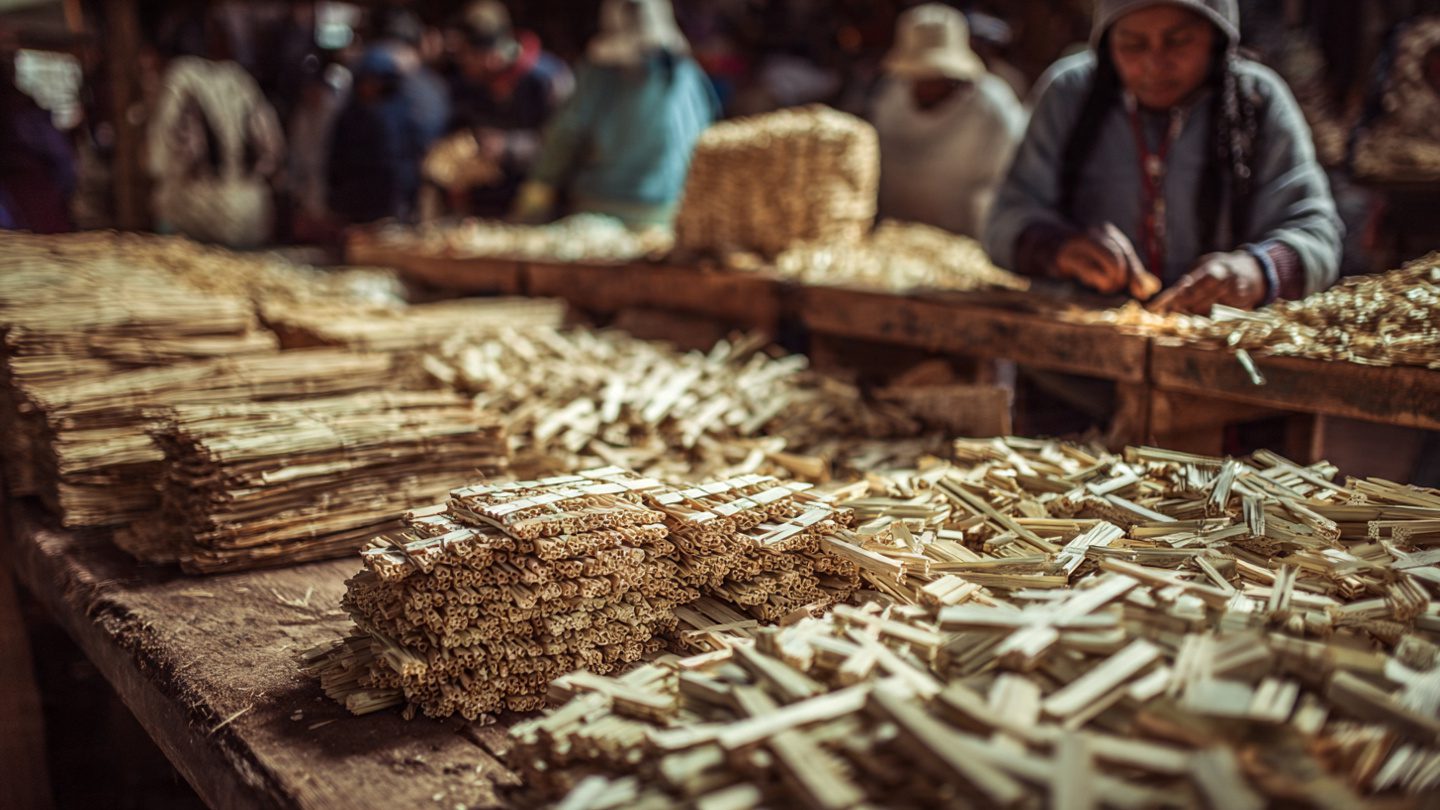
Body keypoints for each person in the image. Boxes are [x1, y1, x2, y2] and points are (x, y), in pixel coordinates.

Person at [983, 0, 1343, 314]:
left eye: (1178, 41)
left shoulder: (1256, 102)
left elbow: (1317, 233)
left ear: (1216, 36)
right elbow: (1005, 220)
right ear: (1108, 43)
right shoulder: (1069, 95)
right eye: (1132, 44)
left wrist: (1257, 272)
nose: (1155, 63)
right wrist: (1059, 249)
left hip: (1218, 367)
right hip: (1076, 363)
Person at [512, 0, 719, 228]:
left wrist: (539, 188)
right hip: (664, 212)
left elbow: (567, 133)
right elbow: (705, 133)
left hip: (600, 211)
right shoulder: (685, 72)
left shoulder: (601, 73)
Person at [870, 4, 1027, 238]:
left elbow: (1007, 192)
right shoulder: (890, 97)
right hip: (893, 243)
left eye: (934, 75)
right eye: (918, 75)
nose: (925, 84)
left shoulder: (992, 110)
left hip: (965, 248)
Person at [146, 14, 284, 248]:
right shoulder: (241, 80)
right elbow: (274, 148)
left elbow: (156, 159)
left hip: (198, 212)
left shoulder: (180, 76)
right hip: (250, 212)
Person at [445, 0, 572, 217]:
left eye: (466, 54)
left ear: (490, 56)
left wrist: (508, 147)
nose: (461, 62)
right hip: (485, 211)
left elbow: (567, 145)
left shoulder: (547, 79)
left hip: (541, 208)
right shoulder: (469, 86)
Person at [327, 49, 424, 224]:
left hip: (393, 199)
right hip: (355, 200)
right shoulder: (351, 116)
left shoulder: (400, 114)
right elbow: (338, 157)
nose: (370, 87)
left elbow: (410, 156)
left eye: (376, 81)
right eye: (366, 81)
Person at [0, 37, 76, 233]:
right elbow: (64, 163)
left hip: (33, 205)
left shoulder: (23, 114)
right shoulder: (25, 113)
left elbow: (63, 164)